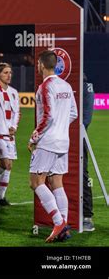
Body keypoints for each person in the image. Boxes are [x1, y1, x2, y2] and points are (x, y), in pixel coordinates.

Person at [27, 50, 78, 243]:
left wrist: (35, 136)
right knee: (57, 183)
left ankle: (58, 222)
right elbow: (73, 113)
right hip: (63, 141)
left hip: (47, 142)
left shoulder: (45, 87)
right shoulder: (65, 85)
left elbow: (49, 116)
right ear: (55, 65)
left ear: (40, 65)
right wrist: (61, 128)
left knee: (36, 182)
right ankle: (64, 225)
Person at [0, 63, 20, 206]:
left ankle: (1, 197)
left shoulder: (14, 92)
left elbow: (17, 112)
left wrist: (14, 126)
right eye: (5, 72)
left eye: (10, 72)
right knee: (4, 164)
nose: (9, 75)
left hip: (10, 134)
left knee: (9, 166)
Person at [82, 74, 95, 231]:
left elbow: (86, 119)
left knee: (82, 175)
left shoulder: (86, 86)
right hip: (57, 138)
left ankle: (87, 216)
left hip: (77, 137)